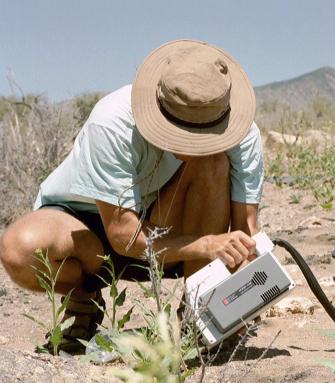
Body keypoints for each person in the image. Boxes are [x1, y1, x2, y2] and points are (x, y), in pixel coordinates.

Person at [0, 40, 264, 352]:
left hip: (171, 224)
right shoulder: (112, 122)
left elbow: (246, 231)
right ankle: (84, 300)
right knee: (20, 249)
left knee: (213, 163)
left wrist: (247, 287)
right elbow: (123, 234)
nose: (194, 143)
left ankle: (197, 312)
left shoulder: (243, 133)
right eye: (185, 134)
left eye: (203, 133)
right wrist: (208, 244)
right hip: (88, 225)